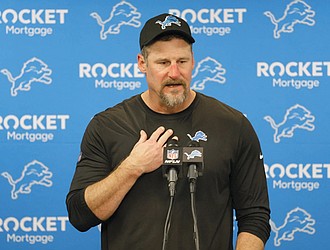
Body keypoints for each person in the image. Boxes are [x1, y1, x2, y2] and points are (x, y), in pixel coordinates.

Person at [66, 13, 271, 250]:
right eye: (163, 63)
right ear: (142, 63)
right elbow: (80, 216)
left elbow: (255, 217)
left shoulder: (233, 125)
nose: (174, 73)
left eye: (182, 61)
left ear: (193, 62)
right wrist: (133, 167)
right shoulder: (108, 125)